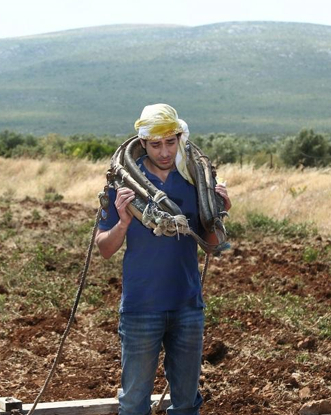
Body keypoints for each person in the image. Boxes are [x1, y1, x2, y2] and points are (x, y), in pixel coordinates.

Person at [95, 104, 231, 415]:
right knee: (134, 402)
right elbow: (104, 248)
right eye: (155, 144)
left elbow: (212, 245)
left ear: (180, 138)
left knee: (186, 402)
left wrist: (220, 211)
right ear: (142, 143)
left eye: (171, 143)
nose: (165, 151)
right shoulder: (123, 185)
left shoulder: (195, 182)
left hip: (187, 306)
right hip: (141, 307)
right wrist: (124, 221)